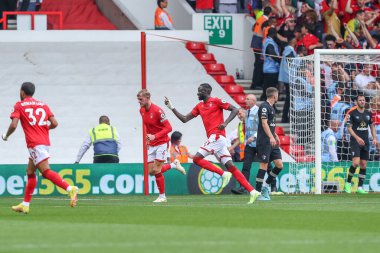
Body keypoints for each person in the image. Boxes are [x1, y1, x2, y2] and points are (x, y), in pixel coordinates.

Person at [165, 83, 261, 204]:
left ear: (206, 91)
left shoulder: (216, 101)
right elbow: (184, 119)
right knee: (231, 166)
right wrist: (171, 107)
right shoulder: (199, 106)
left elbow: (235, 109)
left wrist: (225, 123)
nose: (197, 93)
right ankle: (252, 191)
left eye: (200, 91)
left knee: (196, 159)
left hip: (217, 136)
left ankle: (222, 173)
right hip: (217, 140)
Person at [1, 82, 78, 214]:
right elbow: (55, 123)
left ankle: (69, 188)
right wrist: (44, 129)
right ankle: (25, 204)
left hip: (35, 143)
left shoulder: (19, 105)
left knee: (45, 171)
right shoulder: (43, 104)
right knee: (30, 172)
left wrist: (6, 135)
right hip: (44, 142)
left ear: (22, 92)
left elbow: (14, 125)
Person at [138, 89, 185, 203]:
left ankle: (162, 196)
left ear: (147, 98)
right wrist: (148, 139)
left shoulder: (158, 111)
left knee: (156, 169)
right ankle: (173, 165)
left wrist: (155, 136)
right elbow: (148, 126)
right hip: (152, 144)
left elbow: (169, 128)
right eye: (138, 99)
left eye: (140, 99)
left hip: (162, 143)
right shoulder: (142, 110)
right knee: (151, 171)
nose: (139, 101)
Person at [254, 87, 284, 201]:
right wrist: (271, 137)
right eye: (277, 95)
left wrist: (275, 135)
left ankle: (265, 187)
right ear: (274, 96)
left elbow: (270, 125)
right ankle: (256, 193)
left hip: (271, 141)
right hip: (264, 141)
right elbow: (264, 123)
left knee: (279, 165)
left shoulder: (271, 107)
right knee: (264, 166)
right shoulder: (264, 107)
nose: (278, 97)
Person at [344, 94, 378, 194]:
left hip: (365, 141)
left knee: (363, 164)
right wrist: (357, 138)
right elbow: (349, 128)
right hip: (355, 141)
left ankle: (359, 187)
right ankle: (348, 183)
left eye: (363, 100)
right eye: (360, 100)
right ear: (357, 102)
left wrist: (375, 138)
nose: (362, 102)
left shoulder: (368, 113)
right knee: (355, 163)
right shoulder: (352, 113)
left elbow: (372, 127)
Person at [261, 28, 281, 110]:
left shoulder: (267, 41)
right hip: (271, 69)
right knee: (272, 91)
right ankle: (272, 107)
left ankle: (266, 103)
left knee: (267, 88)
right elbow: (273, 54)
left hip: (267, 68)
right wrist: (280, 60)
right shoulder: (270, 43)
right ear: (274, 34)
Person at [279, 36, 297, 123]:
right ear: (293, 41)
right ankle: (286, 117)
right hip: (289, 78)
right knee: (290, 99)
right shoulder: (289, 50)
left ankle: (286, 117)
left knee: (289, 99)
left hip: (287, 77)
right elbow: (290, 60)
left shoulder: (287, 50)